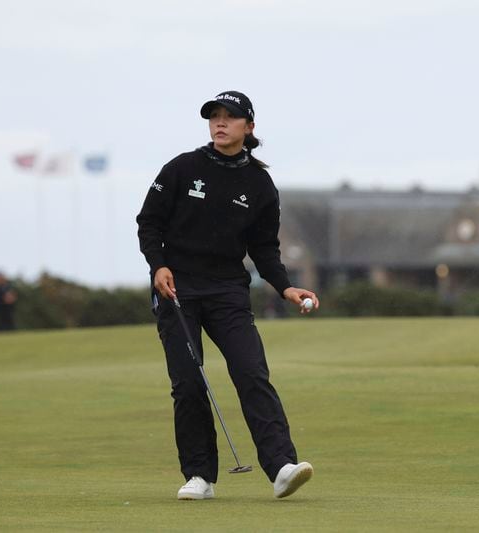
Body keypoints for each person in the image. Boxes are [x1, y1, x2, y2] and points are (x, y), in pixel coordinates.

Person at [136, 90, 319, 501]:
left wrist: (285, 286)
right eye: (214, 117)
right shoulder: (182, 168)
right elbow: (148, 223)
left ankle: (282, 467)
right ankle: (200, 476)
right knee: (188, 383)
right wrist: (158, 265)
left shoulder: (259, 184)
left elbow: (265, 249)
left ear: (248, 127)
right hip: (177, 289)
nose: (220, 123)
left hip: (227, 291)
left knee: (251, 371)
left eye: (230, 117)